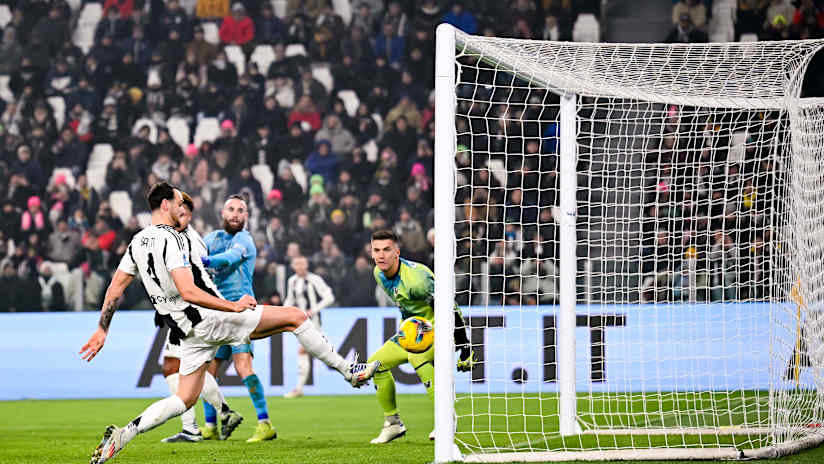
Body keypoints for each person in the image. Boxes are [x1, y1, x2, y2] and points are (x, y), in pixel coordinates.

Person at [80, 183, 380, 463]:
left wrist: (102, 329)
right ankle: (349, 372)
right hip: (211, 318)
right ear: (165, 205)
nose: (182, 207)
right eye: (178, 202)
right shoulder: (171, 239)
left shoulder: (137, 242)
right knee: (295, 317)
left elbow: (115, 287)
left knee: (185, 398)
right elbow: (188, 290)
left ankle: (124, 434)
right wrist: (232, 306)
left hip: (188, 332)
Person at [365, 229, 475, 444]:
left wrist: (464, 344)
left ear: (397, 252)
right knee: (375, 364)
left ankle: (446, 419)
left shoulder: (417, 280)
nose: (381, 255)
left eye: (387, 250)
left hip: (440, 328)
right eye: (376, 250)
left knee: (417, 356)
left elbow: (449, 307)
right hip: (413, 331)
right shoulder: (378, 273)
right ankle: (393, 424)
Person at [159, 192, 229, 443]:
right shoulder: (179, 237)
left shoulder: (188, 239)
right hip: (189, 310)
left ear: (188, 214)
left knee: (173, 367)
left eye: (180, 210)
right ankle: (222, 414)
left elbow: (196, 277)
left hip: (192, 312)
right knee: (182, 368)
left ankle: (202, 422)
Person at [282, 255, 335, 398]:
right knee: (308, 351)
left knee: (317, 353)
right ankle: (299, 389)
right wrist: (283, 312)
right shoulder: (292, 281)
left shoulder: (315, 280)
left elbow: (329, 297)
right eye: (297, 264)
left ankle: (299, 389)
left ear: (307, 265)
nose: (300, 267)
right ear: (293, 266)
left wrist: (314, 310)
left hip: (314, 322)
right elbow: (290, 299)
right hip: (300, 322)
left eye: (302, 264)